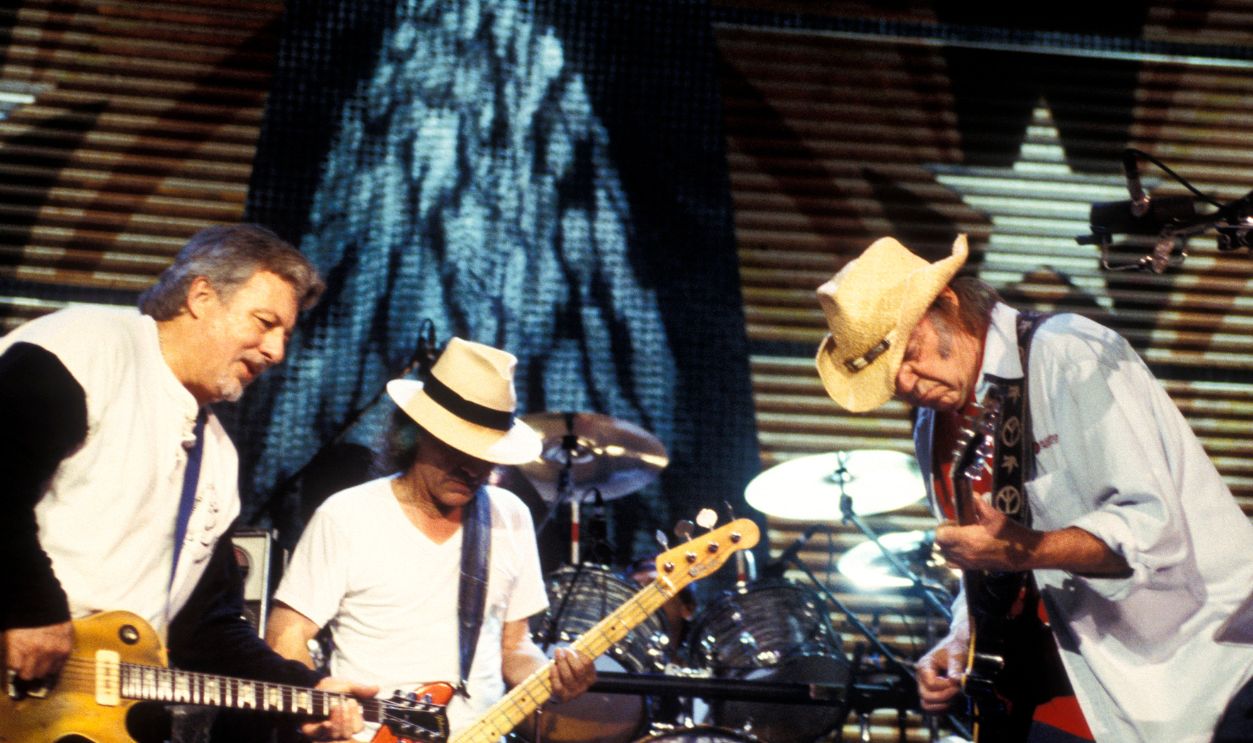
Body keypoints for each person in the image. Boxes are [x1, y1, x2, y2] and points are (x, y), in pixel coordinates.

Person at [813, 234, 1253, 743]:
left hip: (1205, 669)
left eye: (910, 354)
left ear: (948, 305)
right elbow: (987, 564)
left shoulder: (1067, 353)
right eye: (891, 381)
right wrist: (961, 640)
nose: (910, 383)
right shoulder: (932, 428)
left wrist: (1029, 549)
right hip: (1075, 688)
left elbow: (1151, 531)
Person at [0, 224, 372, 742]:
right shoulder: (88, 346)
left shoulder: (218, 459)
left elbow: (208, 627)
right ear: (200, 296)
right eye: (265, 323)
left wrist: (309, 688)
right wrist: (29, 606)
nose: (276, 352)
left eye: (286, 334)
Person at [265, 337, 597, 739]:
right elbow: (287, 632)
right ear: (419, 432)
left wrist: (553, 675)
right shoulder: (348, 515)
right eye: (456, 448)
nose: (470, 468)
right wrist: (319, 706)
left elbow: (514, 648)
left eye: (484, 455)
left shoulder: (510, 516)